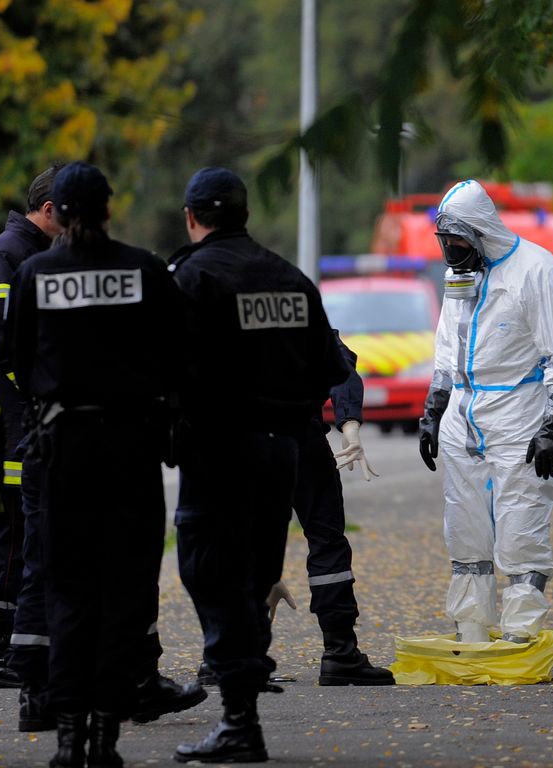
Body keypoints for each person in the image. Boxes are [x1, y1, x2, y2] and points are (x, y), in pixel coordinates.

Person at [7, 162, 190, 767]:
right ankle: (106, 734)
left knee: (68, 593)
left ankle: (68, 737)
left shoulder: (34, 273)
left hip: (63, 453)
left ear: (56, 212)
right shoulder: (143, 270)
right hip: (132, 451)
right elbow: (178, 354)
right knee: (125, 594)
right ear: (109, 210)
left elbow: (16, 357)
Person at [170, 167, 350, 763]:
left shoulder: (190, 278)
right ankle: (241, 717)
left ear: (193, 218)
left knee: (207, 570)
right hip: (282, 449)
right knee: (253, 579)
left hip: (217, 447)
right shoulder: (289, 279)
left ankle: (238, 712)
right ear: (244, 215)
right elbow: (331, 364)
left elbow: (162, 368)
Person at [418, 179, 553, 646]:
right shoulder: (461, 272)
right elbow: (448, 344)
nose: (451, 251)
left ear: (481, 233)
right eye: (445, 242)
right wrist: (434, 407)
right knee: (465, 525)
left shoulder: (536, 270)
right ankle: (471, 627)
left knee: (521, 520)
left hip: (519, 410)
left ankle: (521, 631)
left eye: (458, 242)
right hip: (464, 414)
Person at [198, 334, 394, 686]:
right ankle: (340, 652)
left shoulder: (209, 285)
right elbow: (338, 362)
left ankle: (225, 652)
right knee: (325, 540)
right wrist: (350, 425)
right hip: (297, 434)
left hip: (233, 439)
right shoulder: (294, 294)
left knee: (234, 539)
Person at [0, 163, 63, 700]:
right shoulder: (10, 255)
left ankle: (20, 646)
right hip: (14, 428)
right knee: (11, 542)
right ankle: (1, 650)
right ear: (48, 211)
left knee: (28, 539)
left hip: (29, 424)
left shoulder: (32, 253)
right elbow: (0, 342)